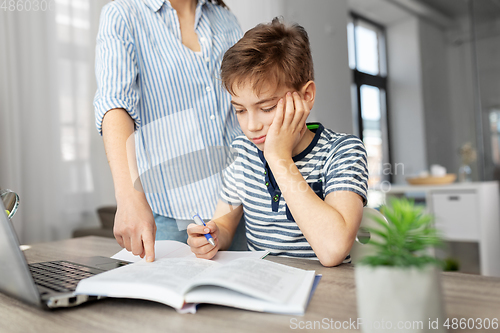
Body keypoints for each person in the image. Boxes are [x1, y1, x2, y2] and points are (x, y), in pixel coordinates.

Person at [187, 18, 369, 267]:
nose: (252, 126)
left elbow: (333, 250)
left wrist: (278, 157)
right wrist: (214, 235)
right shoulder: (242, 153)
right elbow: (225, 224)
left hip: (328, 292)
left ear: (306, 96)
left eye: (267, 108)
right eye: (240, 110)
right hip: (263, 285)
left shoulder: (343, 152)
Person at [94, 0, 246, 262]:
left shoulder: (226, 20)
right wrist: (128, 197)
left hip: (239, 213)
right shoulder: (123, 14)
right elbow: (115, 103)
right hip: (169, 220)